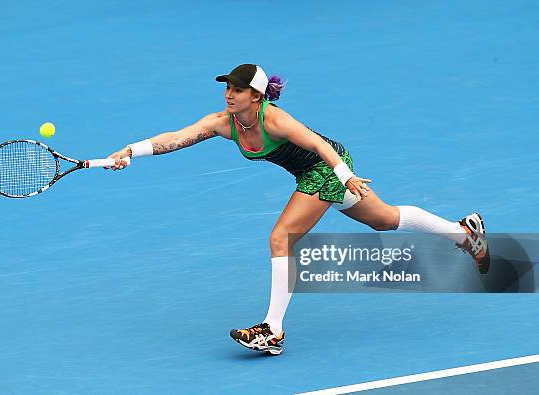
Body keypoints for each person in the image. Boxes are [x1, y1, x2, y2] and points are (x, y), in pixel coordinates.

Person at [107, 64, 490, 356]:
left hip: (327, 167)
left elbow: (320, 147)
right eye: (227, 87)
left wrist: (347, 176)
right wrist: (129, 150)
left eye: (237, 90)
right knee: (384, 220)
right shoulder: (224, 124)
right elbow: (176, 137)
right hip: (313, 172)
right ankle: (464, 234)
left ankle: (272, 329)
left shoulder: (275, 119)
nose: (228, 94)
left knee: (281, 238)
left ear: (256, 97)